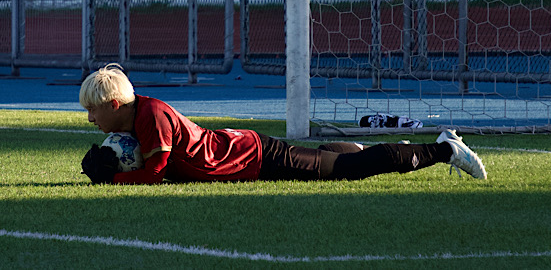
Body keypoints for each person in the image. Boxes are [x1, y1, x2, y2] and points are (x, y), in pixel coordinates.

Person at [77, 64, 488, 185]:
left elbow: (155, 175)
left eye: (93, 110)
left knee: (343, 171)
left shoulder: (150, 117)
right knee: (329, 158)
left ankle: (444, 149)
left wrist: (112, 179)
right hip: (242, 150)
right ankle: (381, 148)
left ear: (115, 104)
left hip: (254, 159)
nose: (91, 118)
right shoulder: (137, 115)